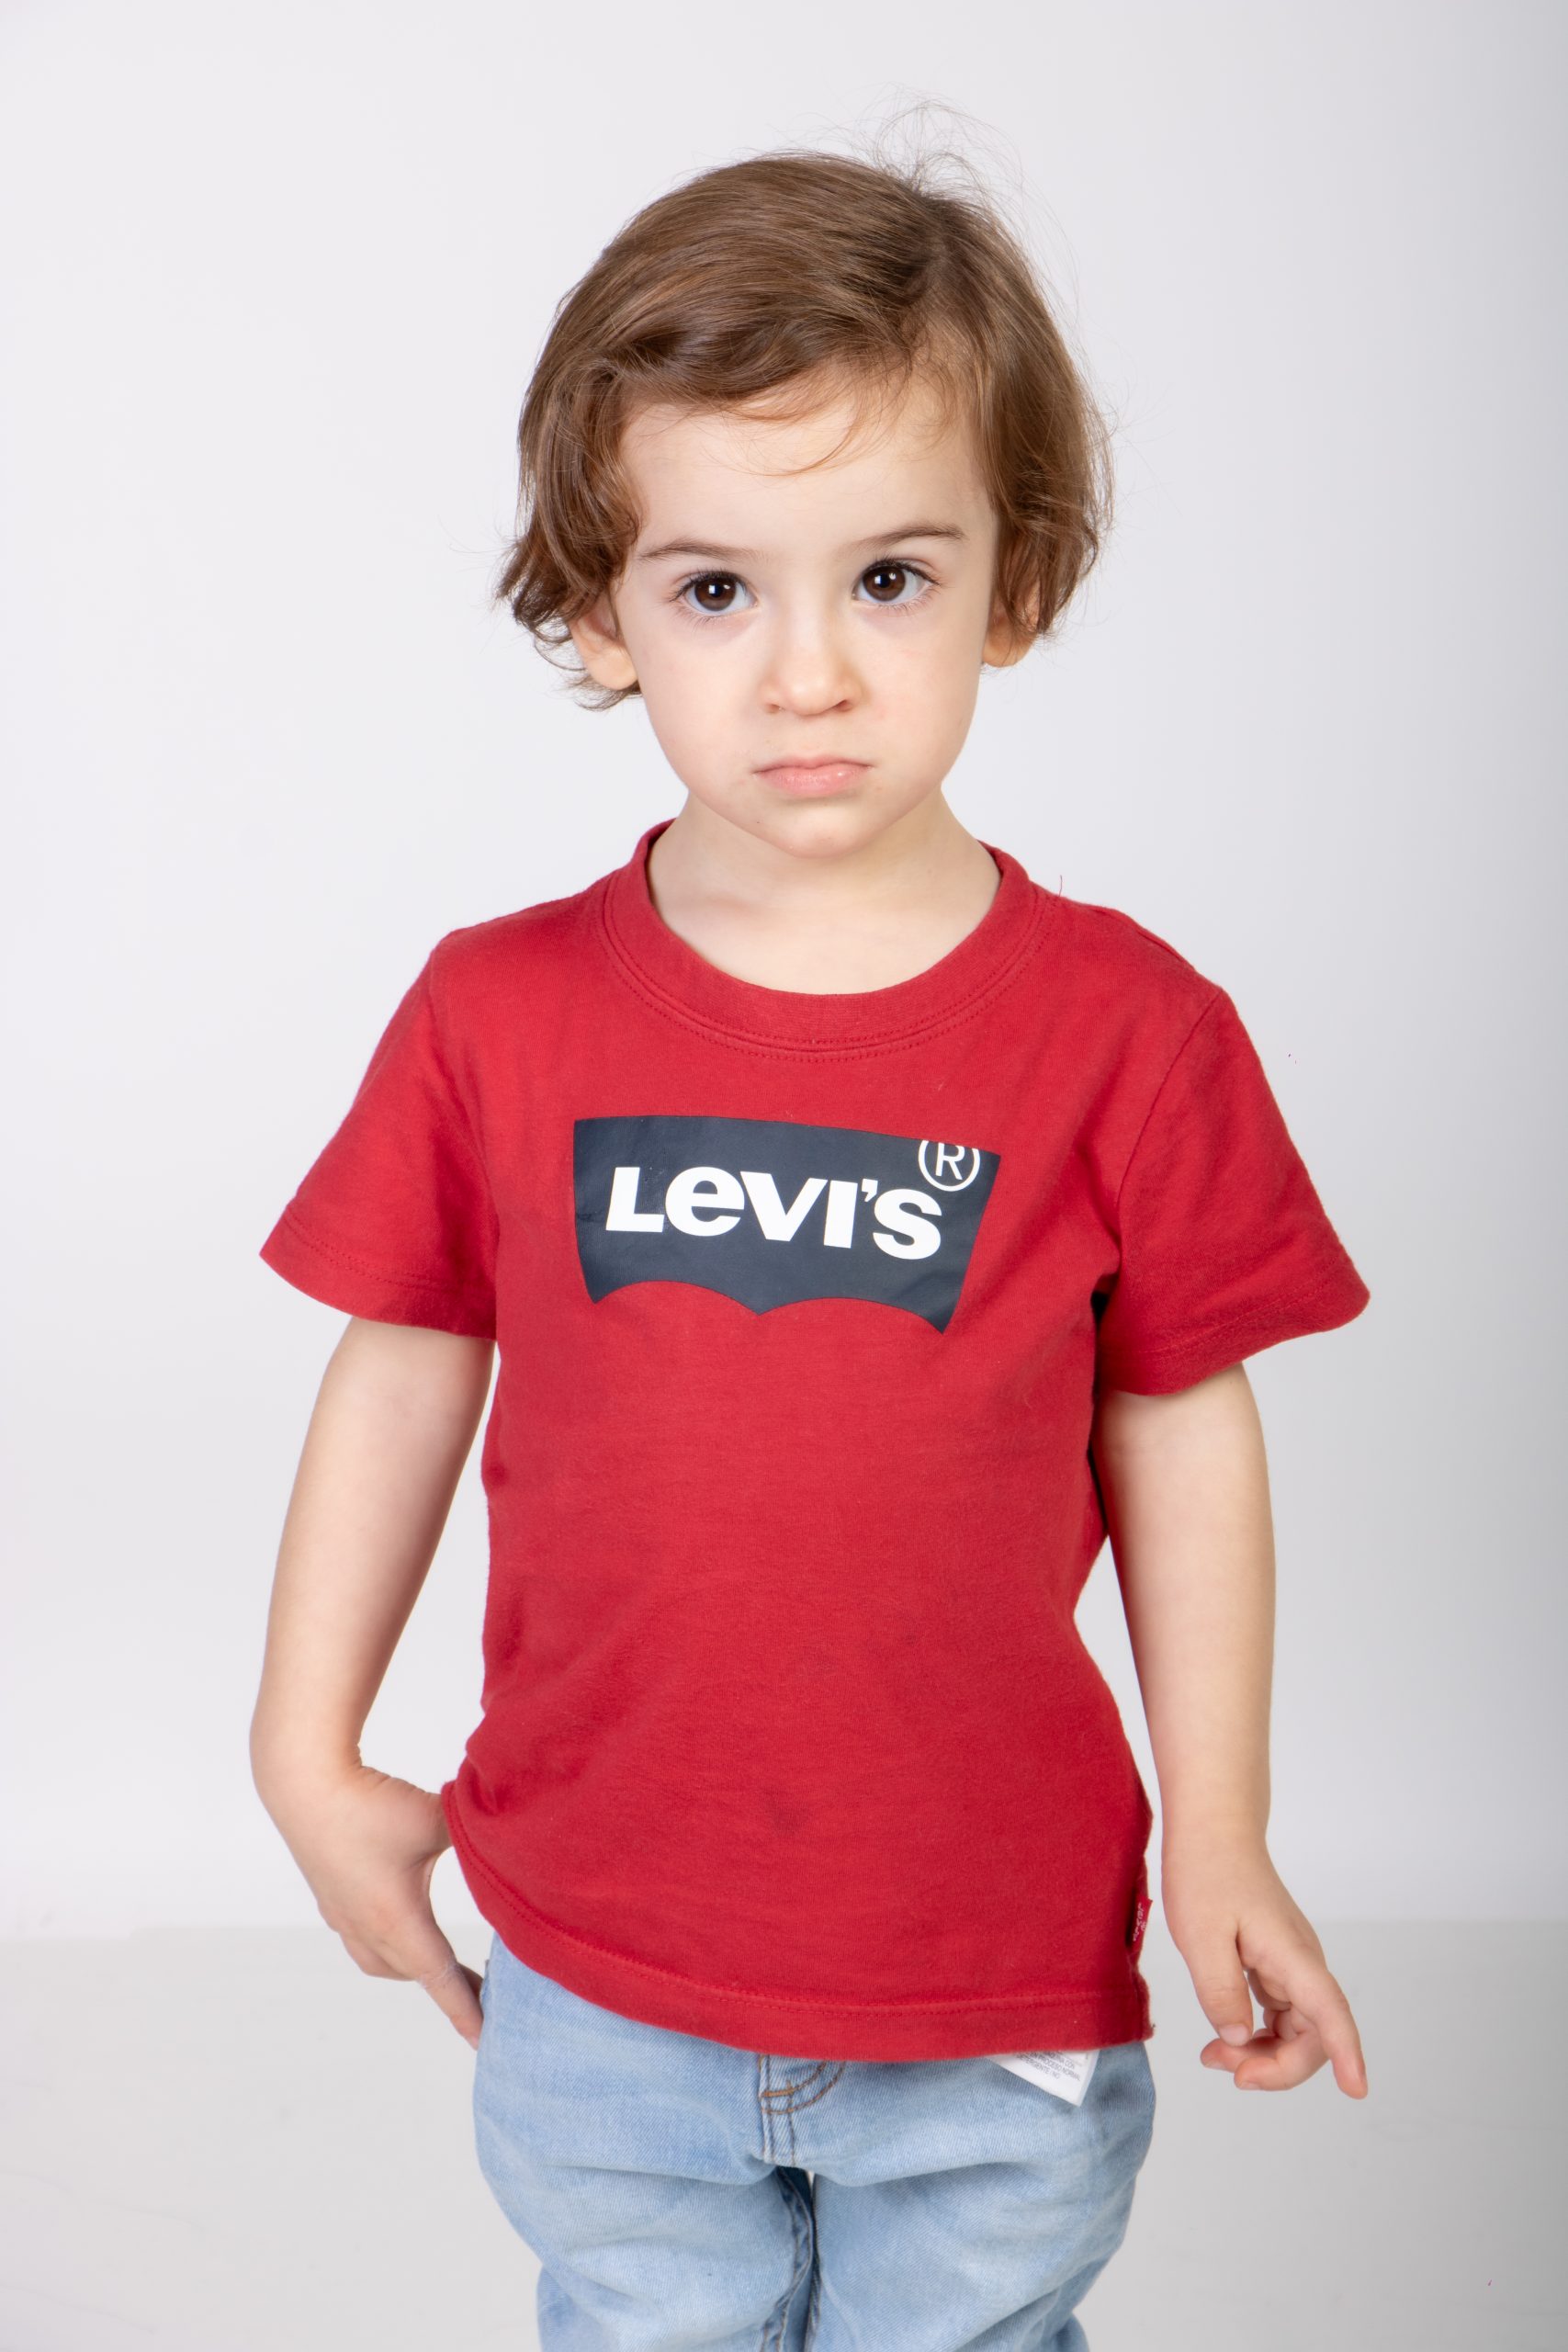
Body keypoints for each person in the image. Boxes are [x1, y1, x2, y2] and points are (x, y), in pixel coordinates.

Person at [251, 138, 1373, 2351]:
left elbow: (1179, 1423)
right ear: (593, 608)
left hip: (986, 1983)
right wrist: (307, 1747)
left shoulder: (1128, 1032)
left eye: (885, 577)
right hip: (597, 1972)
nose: (806, 676)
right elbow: (400, 1359)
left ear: (1010, 583)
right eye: (712, 589)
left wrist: (1219, 1830)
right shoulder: (495, 1012)